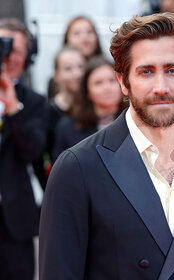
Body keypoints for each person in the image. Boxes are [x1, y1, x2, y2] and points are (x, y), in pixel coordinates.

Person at [39, 12, 174, 279]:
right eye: (146, 72)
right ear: (123, 81)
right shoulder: (77, 168)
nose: (161, 87)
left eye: (172, 70)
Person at [0, 18, 47, 279]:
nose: (6, 55)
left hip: (14, 220)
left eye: (15, 49)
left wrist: (14, 107)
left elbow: (33, 150)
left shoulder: (34, 102)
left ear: (28, 56)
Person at [51, 56, 125, 162]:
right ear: (87, 91)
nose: (107, 88)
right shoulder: (67, 127)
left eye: (112, 80)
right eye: (98, 83)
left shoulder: (136, 121)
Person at [47, 15, 103, 99]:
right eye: (77, 33)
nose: (84, 37)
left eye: (89, 32)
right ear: (67, 40)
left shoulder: (108, 71)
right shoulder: (56, 81)